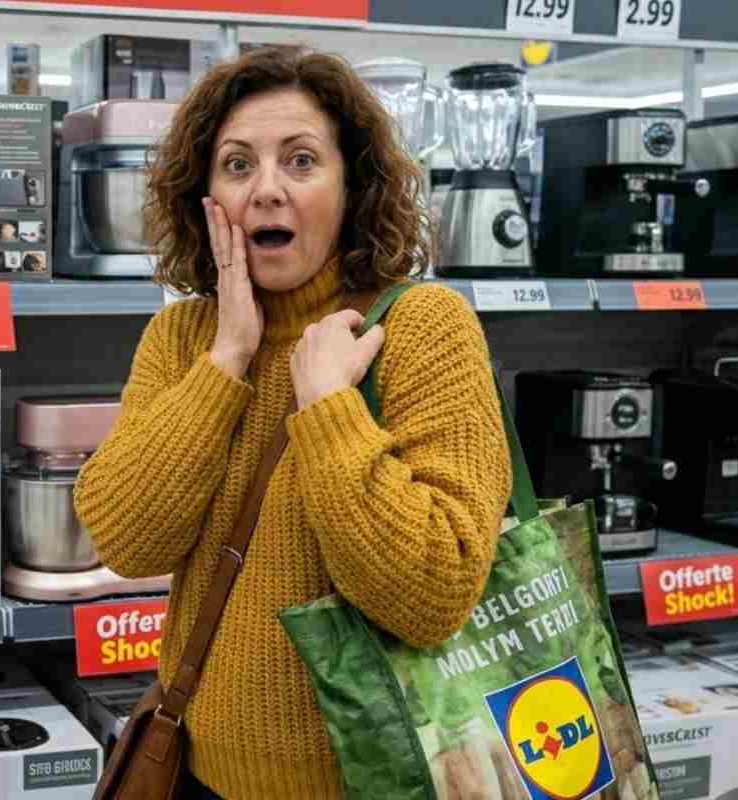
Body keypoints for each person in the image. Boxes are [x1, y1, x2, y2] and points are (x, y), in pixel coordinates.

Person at [74, 47, 512, 800]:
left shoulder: (423, 328)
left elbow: (434, 594)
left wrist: (330, 410)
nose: (267, 189)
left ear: (352, 187)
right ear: (205, 195)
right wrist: (227, 359)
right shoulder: (183, 338)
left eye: (302, 161)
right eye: (237, 165)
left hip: (375, 788)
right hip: (197, 776)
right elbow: (126, 539)